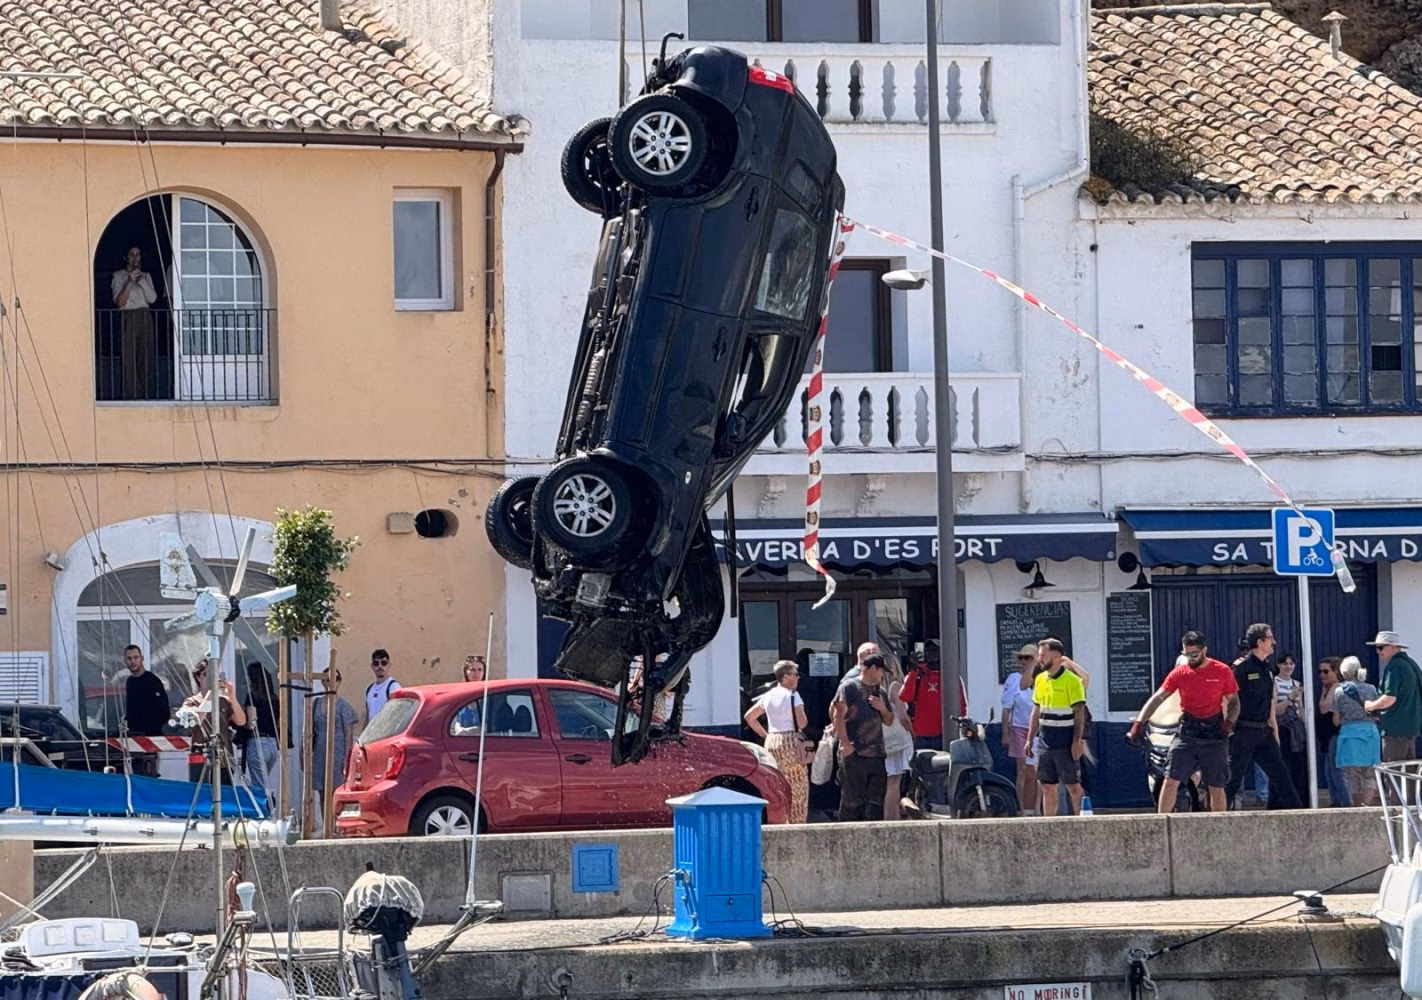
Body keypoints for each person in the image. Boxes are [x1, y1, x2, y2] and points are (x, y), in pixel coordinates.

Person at [1128, 630, 1239, 814]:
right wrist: (1139, 723)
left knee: (1216, 785)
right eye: (1186, 654)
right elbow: (1159, 697)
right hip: (1187, 731)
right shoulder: (1180, 673)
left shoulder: (1222, 671)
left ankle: (1220, 824)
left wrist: (1228, 724)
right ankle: (1162, 821)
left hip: (1214, 733)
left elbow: (1234, 701)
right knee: (1170, 779)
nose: (1190, 659)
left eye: (1194, 654)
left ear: (1204, 650)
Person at [1224, 623, 1302, 810]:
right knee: (1233, 779)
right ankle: (1213, 817)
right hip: (1243, 731)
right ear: (1260, 642)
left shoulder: (1267, 669)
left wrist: (1274, 732)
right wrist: (1227, 727)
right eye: (1270, 638)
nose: (1274, 642)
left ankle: (1300, 817)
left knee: (1282, 777)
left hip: (1263, 732)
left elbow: (1270, 704)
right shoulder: (1241, 668)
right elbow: (1227, 698)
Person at [743, 660, 810, 824]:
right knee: (797, 784)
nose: (798, 677)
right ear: (785, 676)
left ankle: (780, 818)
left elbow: (749, 717)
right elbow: (802, 723)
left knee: (779, 782)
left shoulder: (768, 695)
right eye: (795, 674)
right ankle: (797, 822)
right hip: (790, 739)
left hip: (772, 740)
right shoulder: (793, 696)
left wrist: (766, 735)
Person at [1027, 638, 1087, 816]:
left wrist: (1077, 741)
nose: (1039, 659)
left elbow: (1079, 712)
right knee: (1047, 786)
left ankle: (1082, 822)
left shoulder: (1072, 681)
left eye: (1043, 655)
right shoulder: (1040, 679)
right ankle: (1049, 824)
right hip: (1045, 741)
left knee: (1073, 786)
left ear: (1056, 657)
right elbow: (1036, 711)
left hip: (1065, 741)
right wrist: (1030, 739)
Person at [831, 653, 892, 821]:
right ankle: (847, 832)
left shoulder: (880, 692)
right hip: (855, 752)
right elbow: (837, 716)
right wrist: (845, 745)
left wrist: (882, 708)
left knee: (876, 801)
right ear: (872, 668)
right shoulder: (849, 687)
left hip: (877, 753)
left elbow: (889, 720)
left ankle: (873, 832)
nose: (882, 675)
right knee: (852, 801)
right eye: (881, 671)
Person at [181, 660, 247, 785]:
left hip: (224, 758)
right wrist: (210, 694)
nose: (212, 679)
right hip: (201, 757)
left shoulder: (223, 700)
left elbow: (241, 721)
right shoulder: (191, 701)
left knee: (224, 793)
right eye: (207, 675)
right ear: (198, 677)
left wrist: (231, 695)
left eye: (214, 675)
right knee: (201, 793)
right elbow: (195, 721)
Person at [312, 668, 358, 836]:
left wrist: (347, 757)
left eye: (335, 678)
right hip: (319, 751)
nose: (331, 682)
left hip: (337, 751)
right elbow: (310, 729)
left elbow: (348, 733)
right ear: (322, 682)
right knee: (322, 791)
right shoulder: (316, 703)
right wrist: (304, 750)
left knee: (336, 791)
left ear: (339, 682)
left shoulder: (343, 706)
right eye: (327, 678)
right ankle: (327, 827)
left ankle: (337, 827)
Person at [1364, 631, 1422, 762]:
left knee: (1392, 771)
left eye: (1380, 647)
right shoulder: (1411, 664)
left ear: (1393, 647)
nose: (1378, 652)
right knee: (1408, 771)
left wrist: (1370, 705)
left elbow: (1389, 698)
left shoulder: (1394, 666)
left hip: (1395, 729)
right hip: (1411, 728)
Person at [110, 246, 157, 400]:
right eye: (131, 254)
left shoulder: (146, 276)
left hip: (145, 317)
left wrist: (141, 281)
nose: (135, 258)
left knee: (146, 356)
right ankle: (131, 395)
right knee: (129, 358)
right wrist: (130, 281)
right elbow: (120, 302)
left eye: (138, 254)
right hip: (128, 316)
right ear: (126, 257)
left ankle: (147, 394)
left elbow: (152, 299)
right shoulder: (118, 276)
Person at [1333, 655, 1380, 806]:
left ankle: (1359, 807)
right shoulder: (1371, 689)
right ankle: (1367, 805)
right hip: (1370, 733)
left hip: (1350, 735)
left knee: (1353, 775)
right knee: (1370, 773)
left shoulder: (1339, 691)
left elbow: (1336, 720)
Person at [1000, 644, 1040, 814]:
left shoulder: (1042, 679)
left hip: (1039, 731)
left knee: (1036, 772)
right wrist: (1005, 733)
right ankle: (1022, 810)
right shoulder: (1014, 679)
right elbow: (1006, 709)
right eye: (1021, 657)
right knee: (1022, 770)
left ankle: (1037, 809)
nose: (1023, 661)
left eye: (1028, 658)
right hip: (1019, 730)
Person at [1272, 651, 1310, 807]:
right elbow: (1275, 710)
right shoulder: (1274, 682)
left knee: (1299, 766)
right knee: (1283, 765)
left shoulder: (1296, 683)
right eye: (1285, 663)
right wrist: (1290, 698)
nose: (1288, 667)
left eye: (1291, 664)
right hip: (1282, 728)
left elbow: (1301, 709)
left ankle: (1299, 800)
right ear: (1279, 665)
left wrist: (1301, 711)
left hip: (1296, 731)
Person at [243, 661, 281, 802]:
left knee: (260, 786)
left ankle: (268, 809)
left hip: (258, 743)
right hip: (272, 745)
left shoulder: (252, 697)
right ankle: (269, 805)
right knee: (264, 781)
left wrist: (241, 724)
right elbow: (278, 722)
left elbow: (252, 723)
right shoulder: (274, 698)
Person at [1316, 656, 1351, 807]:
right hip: (1327, 736)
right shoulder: (1327, 688)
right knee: (1329, 773)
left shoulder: (1337, 687)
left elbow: (1324, 708)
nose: (1322, 675)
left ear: (1336, 671)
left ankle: (1346, 803)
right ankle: (1335, 802)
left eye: (1326, 671)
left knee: (1336, 770)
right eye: (1320, 672)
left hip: (1336, 734)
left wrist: (1325, 691)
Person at [122, 645, 170, 737]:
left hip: (151, 736)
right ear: (124, 660)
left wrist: (150, 730)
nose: (133, 661)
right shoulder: (130, 682)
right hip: (134, 735)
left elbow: (164, 711)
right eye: (129, 658)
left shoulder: (152, 681)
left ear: (142, 658)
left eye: (136, 657)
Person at [365, 648, 402, 728]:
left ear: (389, 665)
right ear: (372, 666)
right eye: (376, 663)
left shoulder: (393, 687)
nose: (380, 666)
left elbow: (398, 715)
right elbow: (367, 715)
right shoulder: (370, 689)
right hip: (371, 734)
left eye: (384, 663)